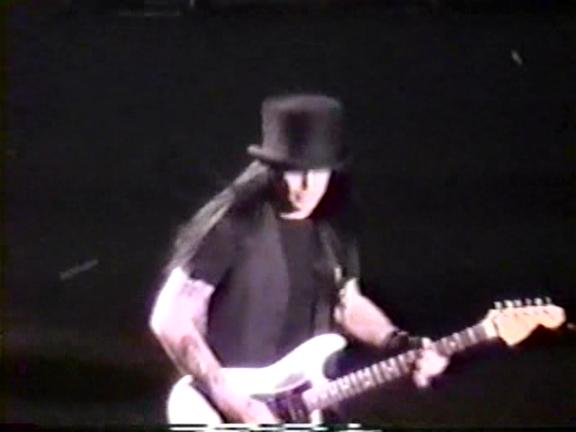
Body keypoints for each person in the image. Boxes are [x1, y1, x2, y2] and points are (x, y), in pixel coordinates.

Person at [149, 94, 449, 424]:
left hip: (304, 408)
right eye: (294, 172)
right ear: (271, 168)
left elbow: (346, 305)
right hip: (227, 409)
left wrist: (400, 343)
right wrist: (236, 404)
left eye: (317, 172)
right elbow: (169, 319)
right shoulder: (233, 223)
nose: (305, 186)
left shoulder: (333, 227)